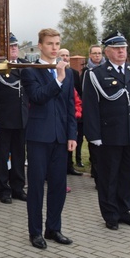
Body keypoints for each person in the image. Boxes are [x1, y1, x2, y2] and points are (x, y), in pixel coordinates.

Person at [82, 32, 130, 230]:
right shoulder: (96, 74)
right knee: (109, 177)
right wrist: (94, 135)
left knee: (128, 175)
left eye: (123, 47)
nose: (121, 51)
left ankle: (124, 211)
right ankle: (110, 214)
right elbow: (90, 107)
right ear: (107, 51)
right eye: (116, 48)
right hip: (110, 135)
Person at [22, 29, 77, 250]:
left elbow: (70, 106)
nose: (55, 48)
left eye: (57, 43)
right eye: (50, 44)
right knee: (36, 187)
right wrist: (58, 80)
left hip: (60, 137)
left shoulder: (68, 72)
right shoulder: (30, 71)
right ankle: (35, 232)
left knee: (58, 184)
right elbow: (37, 97)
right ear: (40, 46)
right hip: (38, 137)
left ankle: (53, 228)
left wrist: (72, 134)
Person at [0, 32, 29, 203]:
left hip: (21, 118)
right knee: (1, 157)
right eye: (10, 47)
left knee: (19, 156)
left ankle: (18, 187)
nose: (14, 49)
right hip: (1, 119)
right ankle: (3, 190)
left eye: (15, 46)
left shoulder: (24, 66)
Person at [58, 48, 84, 177]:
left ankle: (70, 166)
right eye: (62, 55)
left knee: (71, 141)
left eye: (67, 55)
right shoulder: (55, 72)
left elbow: (77, 93)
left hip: (72, 111)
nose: (65, 57)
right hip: (59, 114)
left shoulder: (73, 73)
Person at [80, 44, 104, 176]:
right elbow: (84, 91)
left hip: (104, 113)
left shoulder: (106, 69)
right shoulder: (87, 71)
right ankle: (95, 171)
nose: (97, 56)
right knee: (94, 144)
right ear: (90, 55)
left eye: (99, 53)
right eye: (94, 53)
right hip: (91, 111)